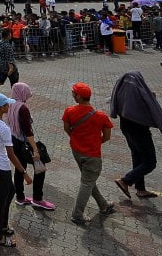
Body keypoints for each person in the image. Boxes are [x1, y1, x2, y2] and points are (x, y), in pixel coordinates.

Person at [109, 71, 162, 200]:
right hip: (139, 130)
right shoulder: (140, 95)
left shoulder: (122, 91)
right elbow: (151, 108)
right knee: (150, 162)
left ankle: (140, 189)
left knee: (137, 157)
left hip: (126, 127)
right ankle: (125, 180)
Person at [0, 93, 31, 248]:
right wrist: (24, 172)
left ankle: (3, 225)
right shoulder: (3, 128)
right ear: (2, 107)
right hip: (1, 167)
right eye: (7, 105)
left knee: (10, 192)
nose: (9, 106)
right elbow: (11, 154)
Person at [62, 82, 115, 225]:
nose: (72, 95)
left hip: (76, 151)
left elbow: (67, 129)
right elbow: (107, 136)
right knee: (87, 182)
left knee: (88, 180)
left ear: (78, 96)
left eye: (73, 93)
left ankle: (103, 205)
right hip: (92, 155)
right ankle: (77, 214)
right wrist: (95, 143)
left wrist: (77, 139)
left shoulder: (69, 111)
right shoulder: (101, 116)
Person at [5, 83, 54, 210]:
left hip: (13, 140)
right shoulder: (23, 108)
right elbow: (28, 131)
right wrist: (36, 150)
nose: (28, 95)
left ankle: (20, 197)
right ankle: (38, 198)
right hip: (24, 143)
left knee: (20, 168)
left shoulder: (9, 104)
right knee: (40, 167)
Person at [0, 29, 19, 95]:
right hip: (7, 65)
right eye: (10, 34)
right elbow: (9, 57)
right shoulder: (7, 46)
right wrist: (11, 68)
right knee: (14, 80)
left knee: (0, 78)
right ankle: (15, 94)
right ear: (8, 36)